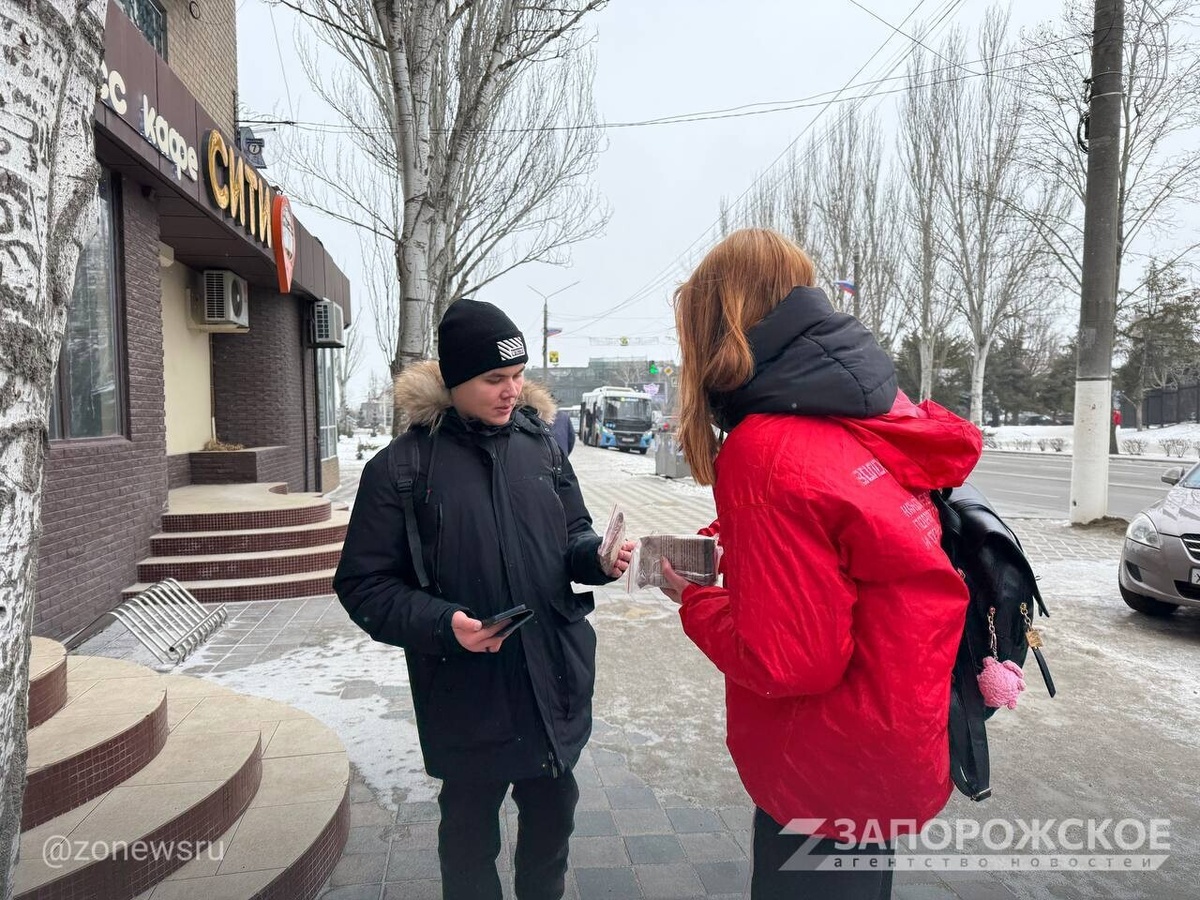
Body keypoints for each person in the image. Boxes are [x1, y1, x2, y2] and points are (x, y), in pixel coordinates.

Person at [659, 229, 982, 900]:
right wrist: (738, 536)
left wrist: (694, 598)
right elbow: (843, 513)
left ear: (718, 327)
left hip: (824, 768)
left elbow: (791, 662)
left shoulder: (763, 449)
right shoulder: (867, 406)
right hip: (894, 734)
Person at [334, 299, 634, 900]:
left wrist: (597, 559)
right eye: (494, 379)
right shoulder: (401, 468)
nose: (511, 391)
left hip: (552, 681)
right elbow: (364, 584)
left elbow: (572, 535)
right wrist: (446, 625)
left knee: (551, 830)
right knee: (469, 842)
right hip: (468, 693)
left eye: (518, 375)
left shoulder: (542, 446)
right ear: (454, 380)